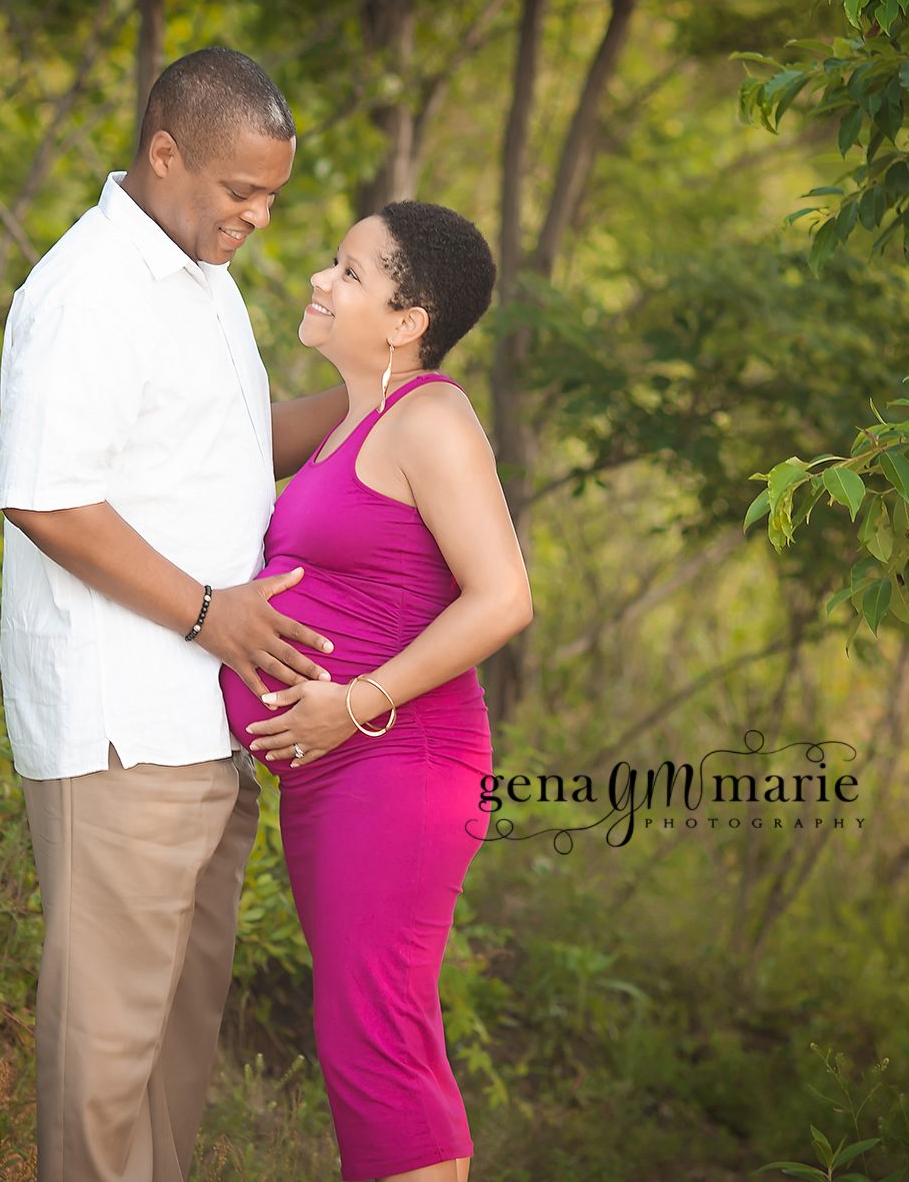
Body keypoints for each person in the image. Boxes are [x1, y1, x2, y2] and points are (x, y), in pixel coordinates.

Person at [0, 47, 350, 1182]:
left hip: (206, 726)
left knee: (175, 1048)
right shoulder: (87, 289)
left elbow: (236, 455)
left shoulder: (203, 277)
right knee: (103, 1057)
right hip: (123, 726)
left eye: (270, 196)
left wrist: (378, 399)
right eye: (238, 190)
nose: (254, 215)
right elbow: (47, 498)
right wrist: (210, 615)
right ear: (164, 153)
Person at [220, 201, 534, 1182]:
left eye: (350, 273)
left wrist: (351, 702)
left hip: (397, 762)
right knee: (371, 1033)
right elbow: (208, 446)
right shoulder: (350, 419)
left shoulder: (429, 416)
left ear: (407, 319)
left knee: (374, 1039)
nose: (320, 279)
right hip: (336, 774)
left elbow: (503, 597)